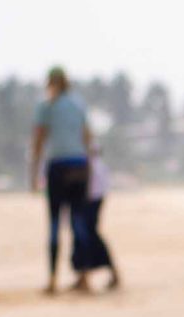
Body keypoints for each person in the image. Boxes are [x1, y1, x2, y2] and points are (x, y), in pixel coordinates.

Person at [29, 67, 96, 294]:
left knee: (55, 224)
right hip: (79, 165)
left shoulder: (46, 105)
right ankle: (84, 277)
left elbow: (39, 139)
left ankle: (52, 280)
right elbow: (87, 137)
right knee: (79, 224)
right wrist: (90, 166)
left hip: (58, 166)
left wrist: (34, 172)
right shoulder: (78, 104)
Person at [78, 151, 120, 291]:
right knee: (85, 233)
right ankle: (83, 276)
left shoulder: (82, 139)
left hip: (90, 194)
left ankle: (88, 276)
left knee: (88, 234)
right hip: (91, 192)